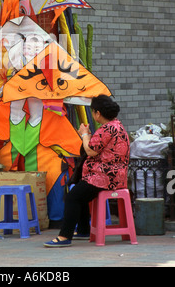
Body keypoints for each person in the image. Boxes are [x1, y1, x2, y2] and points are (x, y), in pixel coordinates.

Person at [44, 94, 130, 247]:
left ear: (98, 113)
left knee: (72, 197)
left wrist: (84, 134)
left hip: (104, 176)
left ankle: (64, 237)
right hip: (113, 175)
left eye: (93, 111)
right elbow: (97, 147)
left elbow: (90, 151)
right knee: (79, 193)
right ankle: (83, 230)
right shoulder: (117, 125)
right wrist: (87, 136)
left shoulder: (107, 129)